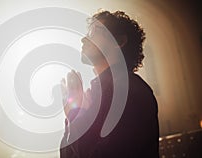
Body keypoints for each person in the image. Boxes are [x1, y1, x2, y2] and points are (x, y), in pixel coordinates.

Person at [60, 10, 159, 158]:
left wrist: (75, 115)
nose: (83, 39)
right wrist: (73, 115)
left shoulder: (129, 92)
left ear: (119, 42)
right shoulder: (94, 94)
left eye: (94, 31)